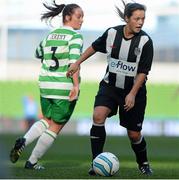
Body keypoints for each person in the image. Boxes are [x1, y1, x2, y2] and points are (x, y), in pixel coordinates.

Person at [67, 1, 153, 176]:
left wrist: (132, 94)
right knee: (98, 116)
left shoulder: (145, 41)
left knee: (134, 134)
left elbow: (143, 72)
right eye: (136, 18)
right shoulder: (112, 33)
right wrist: (77, 63)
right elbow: (94, 47)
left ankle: (143, 163)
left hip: (133, 91)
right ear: (126, 18)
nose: (140, 22)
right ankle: (96, 162)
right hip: (110, 87)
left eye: (143, 19)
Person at [10, 0, 84, 170]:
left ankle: (24, 140)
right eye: (78, 16)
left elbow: (38, 53)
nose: (81, 20)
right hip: (62, 86)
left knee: (46, 119)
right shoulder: (75, 36)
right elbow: (74, 63)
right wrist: (76, 86)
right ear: (67, 17)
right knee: (56, 126)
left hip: (45, 84)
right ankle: (32, 161)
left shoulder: (50, 35)